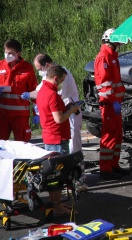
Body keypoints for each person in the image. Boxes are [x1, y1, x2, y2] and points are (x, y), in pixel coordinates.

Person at [36, 65, 81, 216]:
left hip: (49, 136)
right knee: (58, 175)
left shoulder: (42, 91)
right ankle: (57, 205)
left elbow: (54, 111)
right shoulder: (52, 94)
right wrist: (72, 110)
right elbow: (59, 118)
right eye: (61, 80)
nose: (61, 83)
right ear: (56, 78)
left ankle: (57, 203)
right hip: (57, 138)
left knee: (53, 174)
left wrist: (67, 106)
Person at [94, 28, 128, 180]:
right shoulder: (104, 57)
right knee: (109, 136)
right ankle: (105, 169)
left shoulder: (112, 56)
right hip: (109, 104)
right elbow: (105, 85)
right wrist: (114, 102)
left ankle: (114, 165)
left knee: (117, 136)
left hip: (115, 104)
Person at [0, 39, 38, 142]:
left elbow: (35, 91)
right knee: (1, 145)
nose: (7, 55)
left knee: (22, 144)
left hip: (20, 115)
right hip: (2, 115)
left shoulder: (27, 68)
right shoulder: (0, 65)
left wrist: (36, 113)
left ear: (18, 54)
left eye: (10, 53)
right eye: (6, 52)